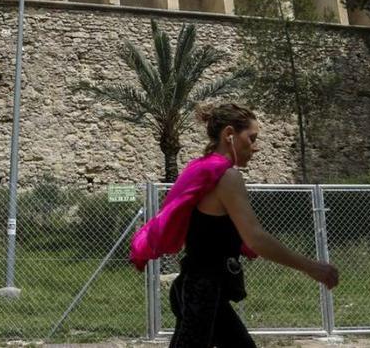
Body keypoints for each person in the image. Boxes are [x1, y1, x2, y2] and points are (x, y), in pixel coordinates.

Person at [130, 103, 339, 347]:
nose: (256, 146)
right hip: (202, 293)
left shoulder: (204, 170)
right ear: (229, 134)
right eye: (251, 138)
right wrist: (311, 267)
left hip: (194, 288)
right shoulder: (226, 177)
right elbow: (256, 238)